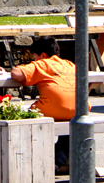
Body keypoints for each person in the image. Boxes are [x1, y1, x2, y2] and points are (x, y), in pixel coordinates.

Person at [10, 37, 80, 175]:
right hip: (78, 109)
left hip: (52, 108)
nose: (34, 60)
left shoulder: (42, 64)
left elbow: (16, 74)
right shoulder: (70, 65)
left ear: (42, 55)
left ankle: (34, 160)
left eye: (34, 57)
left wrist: (30, 70)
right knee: (70, 123)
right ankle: (57, 161)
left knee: (22, 116)